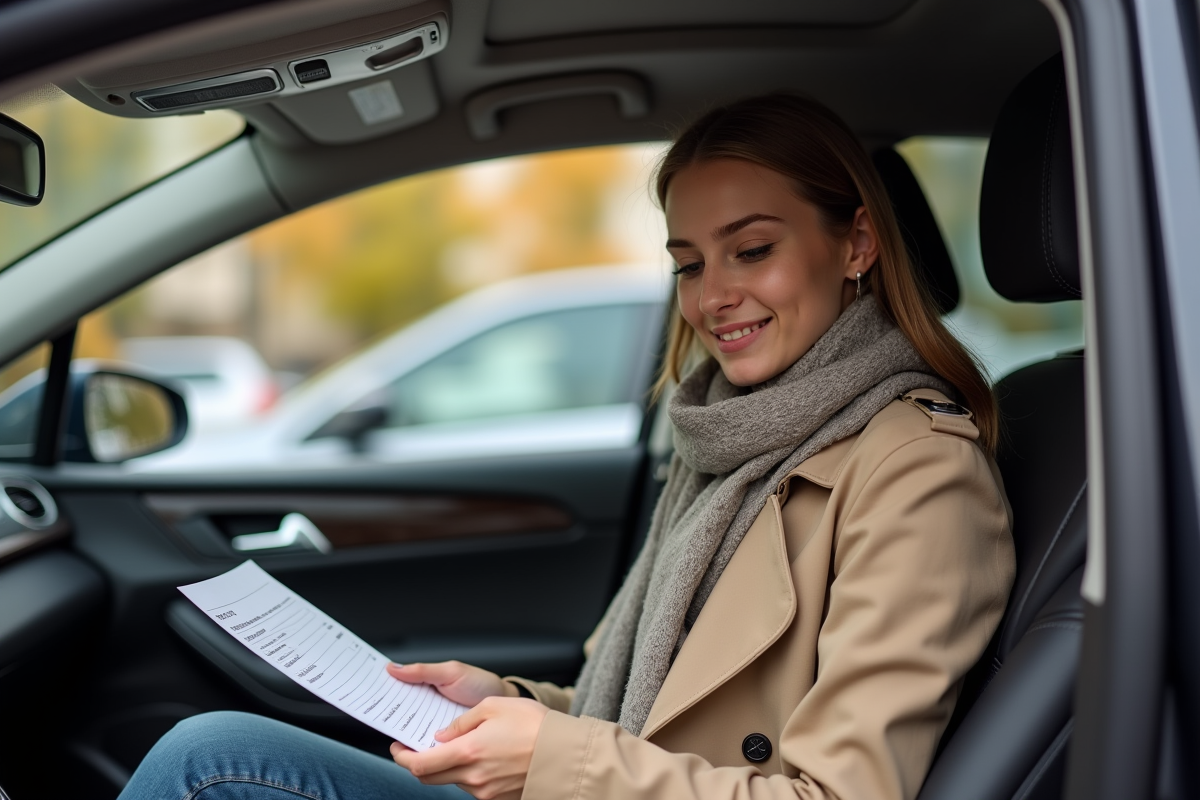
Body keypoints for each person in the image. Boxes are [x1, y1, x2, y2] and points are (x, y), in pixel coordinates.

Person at [118, 94, 1014, 800]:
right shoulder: (728, 440)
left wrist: (555, 764)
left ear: (855, 240)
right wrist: (509, 707)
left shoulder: (919, 472)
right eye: (691, 264)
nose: (714, 298)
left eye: (752, 250)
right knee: (217, 755)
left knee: (212, 769)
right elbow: (637, 717)